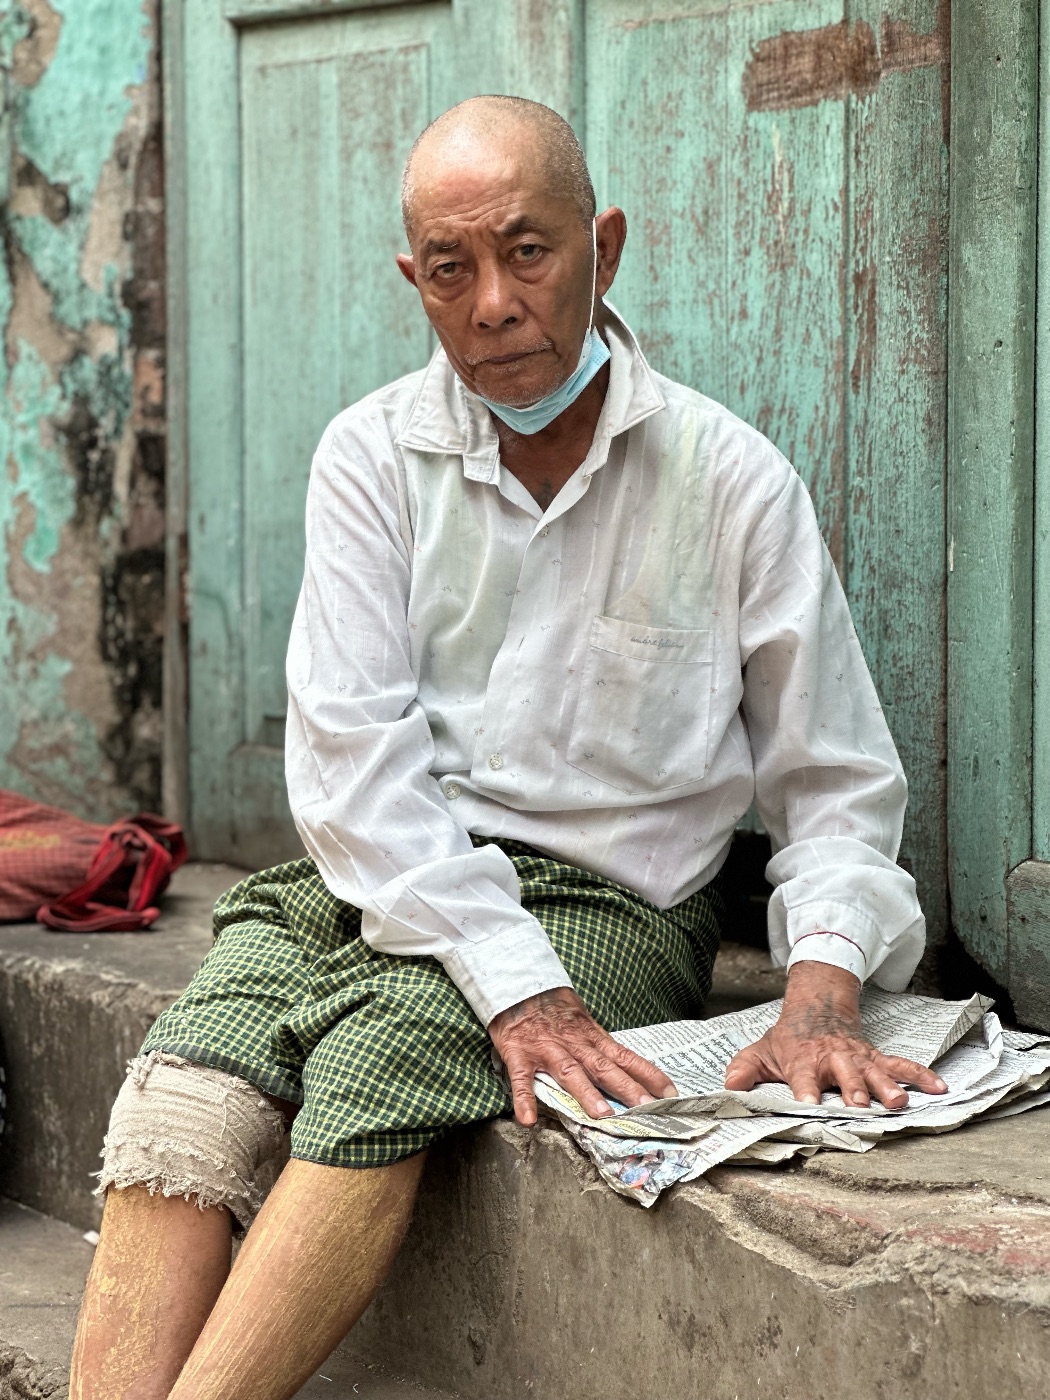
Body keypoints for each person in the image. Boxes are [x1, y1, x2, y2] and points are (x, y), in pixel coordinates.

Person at [70, 96, 946, 1400]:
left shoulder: (728, 477)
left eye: (527, 252)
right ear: (410, 282)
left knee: (377, 1062)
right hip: (383, 865)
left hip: (609, 897)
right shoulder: (371, 454)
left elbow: (832, 778)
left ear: (606, 246)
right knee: (193, 1080)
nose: (491, 302)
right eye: (449, 268)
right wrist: (506, 980)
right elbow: (354, 763)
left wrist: (820, 988)